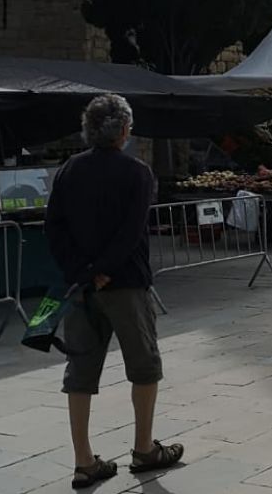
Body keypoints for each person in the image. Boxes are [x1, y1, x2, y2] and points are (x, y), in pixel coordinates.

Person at [45, 95, 183, 489]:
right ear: (123, 130)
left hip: (81, 288)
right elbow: (131, 232)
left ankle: (84, 460)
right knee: (143, 364)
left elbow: (53, 227)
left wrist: (82, 272)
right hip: (125, 284)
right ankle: (143, 447)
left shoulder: (69, 170)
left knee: (80, 371)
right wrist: (102, 270)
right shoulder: (137, 173)